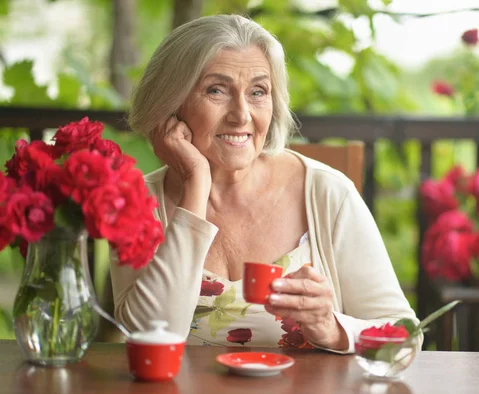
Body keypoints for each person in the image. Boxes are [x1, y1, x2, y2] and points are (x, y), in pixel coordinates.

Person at [110, 14, 419, 353]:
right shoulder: (136, 203)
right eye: (217, 90)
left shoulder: (327, 193)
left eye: (258, 91)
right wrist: (196, 182)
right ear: (171, 103)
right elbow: (148, 337)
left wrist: (331, 328)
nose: (242, 115)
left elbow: (405, 337)